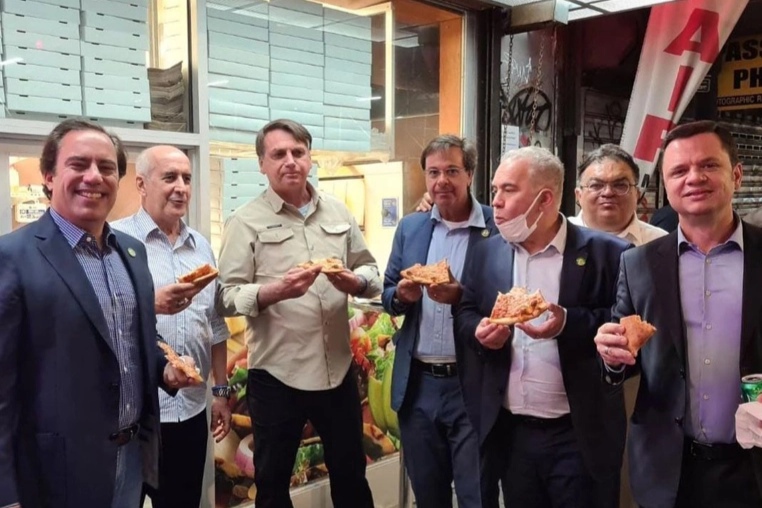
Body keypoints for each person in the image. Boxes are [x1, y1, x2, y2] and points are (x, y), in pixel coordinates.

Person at [0, 119, 195, 508]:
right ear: (49, 176)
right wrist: (6, 494)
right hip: (55, 471)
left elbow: (136, 338)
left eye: (106, 167)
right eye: (78, 164)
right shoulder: (13, 257)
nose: (94, 176)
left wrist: (165, 369)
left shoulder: (132, 253)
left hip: (131, 459)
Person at [594, 120, 762, 508]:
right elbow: (625, 358)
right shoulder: (638, 264)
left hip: (752, 468)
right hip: (668, 470)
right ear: (667, 186)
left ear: (736, 175)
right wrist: (612, 356)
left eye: (709, 165)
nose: (694, 178)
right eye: (679, 170)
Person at [215, 118, 382, 508]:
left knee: (351, 477)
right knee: (272, 485)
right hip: (278, 376)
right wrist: (274, 291)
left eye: (298, 152)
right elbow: (224, 297)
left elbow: (371, 270)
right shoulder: (245, 221)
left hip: (337, 371)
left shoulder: (338, 212)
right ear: (262, 164)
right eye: (278, 154)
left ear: (310, 158)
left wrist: (355, 282)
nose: (289, 161)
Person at [454, 146, 630, 508]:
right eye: (495, 189)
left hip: (578, 436)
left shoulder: (610, 254)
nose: (495, 202)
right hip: (512, 433)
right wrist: (479, 332)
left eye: (508, 190)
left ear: (545, 199)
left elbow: (623, 326)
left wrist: (567, 322)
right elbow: (465, 310)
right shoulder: (486, 249)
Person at [111, 145, 232, 508]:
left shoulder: (201, 247)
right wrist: (151, 302)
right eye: (169, 177)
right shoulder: (115, 241)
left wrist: (220, 392)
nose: (181, 187)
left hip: (190, 411)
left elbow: (214, 324)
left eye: (187, 178)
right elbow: (100, 317)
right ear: (141, 184)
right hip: (135, 415)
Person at [382, 135, 498, 508]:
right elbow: (387, 292)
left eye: (451, 171)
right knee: (428, 497)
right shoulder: (411, 227)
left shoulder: (497, 227)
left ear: (470, 174)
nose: (441, 181)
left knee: (476, 496)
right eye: (433, 173)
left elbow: (512, 299)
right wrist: (401, 296)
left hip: (473, 384)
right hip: (418, 387)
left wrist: (461, 295)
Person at [570, 143, 667, 245]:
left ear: (637, 195)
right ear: (578, 195)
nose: (608, 192)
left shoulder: (660, 242)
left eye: (620, 185)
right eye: (596, 185)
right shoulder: (562, 236)